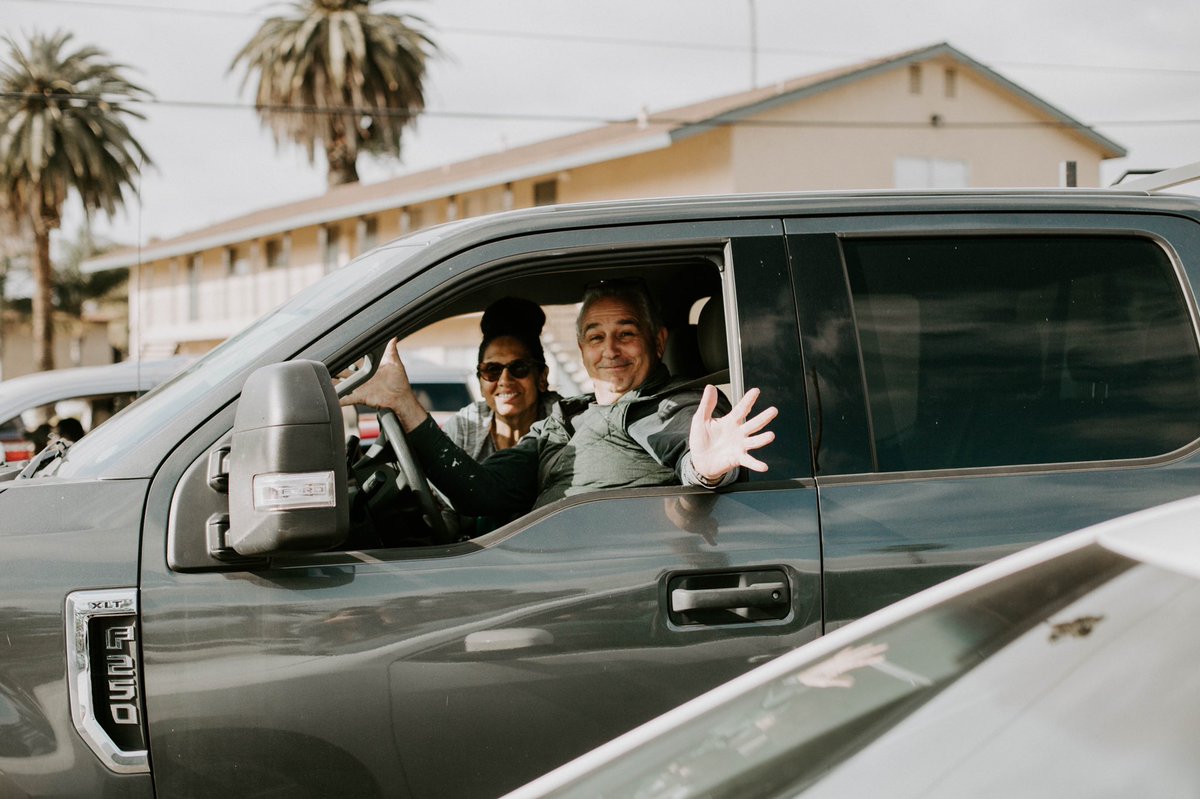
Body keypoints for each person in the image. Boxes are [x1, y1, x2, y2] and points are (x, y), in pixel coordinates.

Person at [340, 279, 777, 520]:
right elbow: (483, 492)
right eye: (596, 337)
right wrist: (405, 403)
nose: (610, 350)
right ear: (582, 348)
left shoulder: (664, 405)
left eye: (626, 334)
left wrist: (703, 470)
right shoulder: (570, 416)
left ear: (658, 341)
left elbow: (685, 447)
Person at [443, 296, 561, 460]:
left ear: (542, 377)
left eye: (519, 368)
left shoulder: (566, 424)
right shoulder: (463, 429)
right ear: (480, 383)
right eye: (492, 370)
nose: (505, 380)